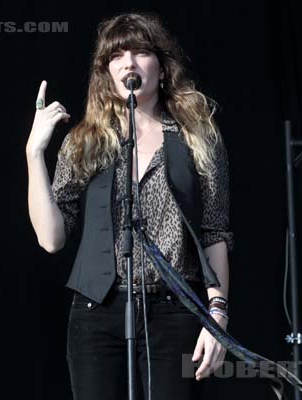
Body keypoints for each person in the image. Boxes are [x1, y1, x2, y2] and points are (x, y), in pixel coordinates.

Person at [26, 12, 233, 400]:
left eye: (140, 52)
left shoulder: (196, 137)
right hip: (97, 311)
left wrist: (217, 314)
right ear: (106, 70)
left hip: (176, 311)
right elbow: (51, 239)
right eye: (116, 56)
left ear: (161, 65)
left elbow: (215, 231)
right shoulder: (85, 141)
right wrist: (34, 152)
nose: (128, 63)